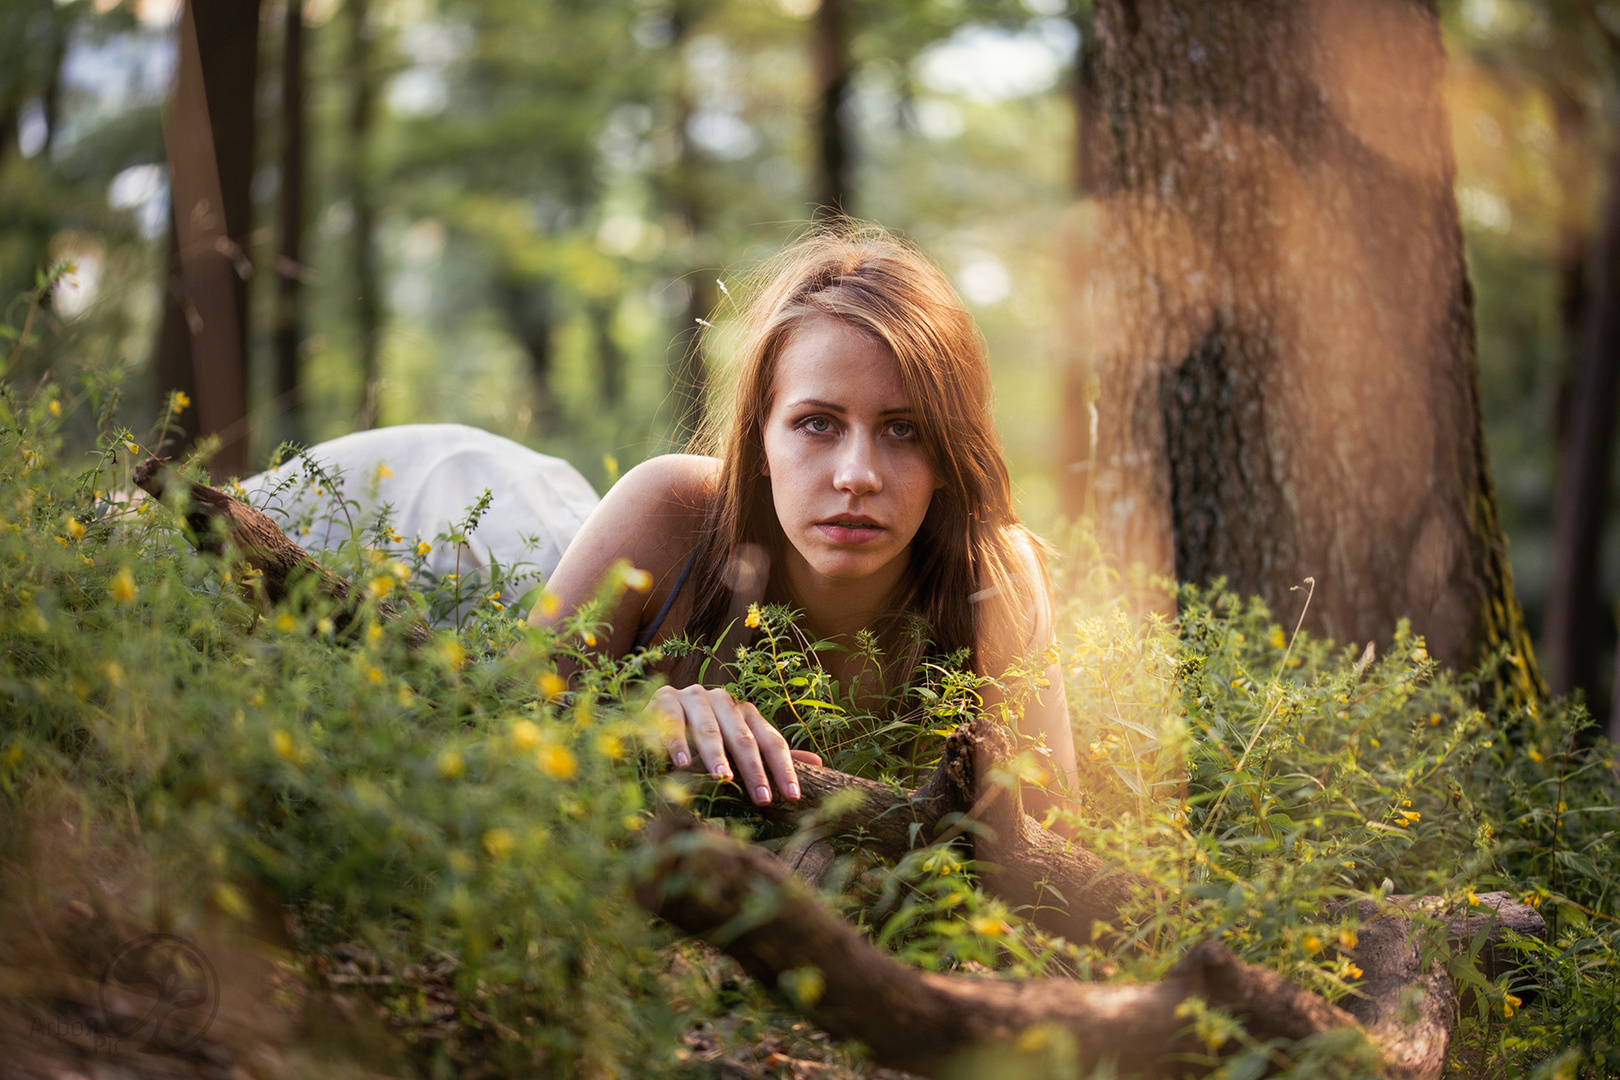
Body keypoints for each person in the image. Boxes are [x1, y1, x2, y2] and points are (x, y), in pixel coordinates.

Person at [532, 224, 1078, 814]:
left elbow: (1055, 860)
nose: (857, 475)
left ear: (949, 457)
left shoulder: (992, 575)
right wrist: (632, 727)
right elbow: (492, 739)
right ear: (758, 437)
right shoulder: (667, 511)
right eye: (818, 422)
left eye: (904, 429)